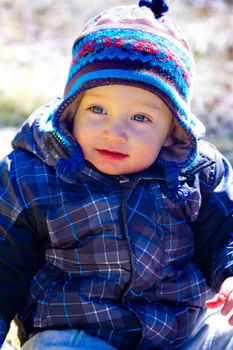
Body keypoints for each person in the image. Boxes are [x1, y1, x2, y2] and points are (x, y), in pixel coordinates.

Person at [0, 0, 233, 349]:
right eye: (97, 109)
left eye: (140, 118)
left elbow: (226, 233)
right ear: (71, 109)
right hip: (79, 332)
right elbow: (5, 269)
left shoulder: (195, 173)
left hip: (183, 331)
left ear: (173, 131)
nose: (114, 132)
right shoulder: (33, 174)